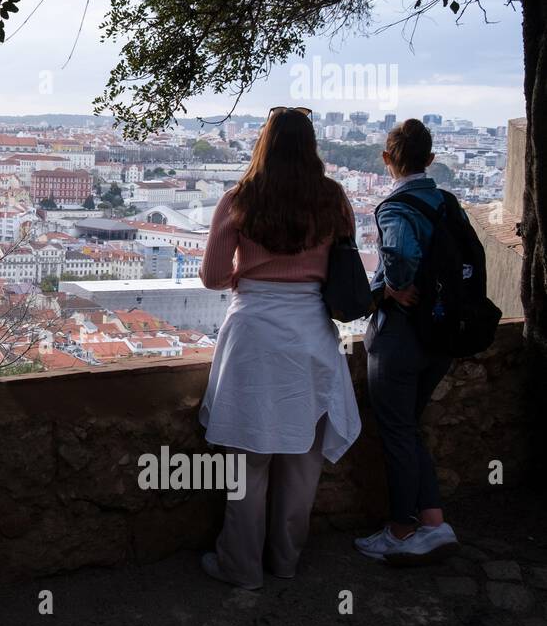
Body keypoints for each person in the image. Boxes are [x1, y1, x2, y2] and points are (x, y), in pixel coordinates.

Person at [197, 107, 360, 590]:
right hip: (310, 332)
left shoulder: (239, 198)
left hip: (252, 334)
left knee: (247, 461)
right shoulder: (333, 200)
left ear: (263, 143)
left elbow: (210, 276)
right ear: (311, 144)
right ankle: (286, 561)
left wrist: (251, 281)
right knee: (302, 460)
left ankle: (241, 567)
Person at [354, 119, 460, 563]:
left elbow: (400, 255)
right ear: (430, 159)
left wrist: (392, 287)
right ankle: (433, 523)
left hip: (401, 334)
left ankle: (400, 531)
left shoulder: (396, 207)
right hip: (441, 334)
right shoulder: (446, 202)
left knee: (395, 431)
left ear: (386, 159)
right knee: (409, 428)